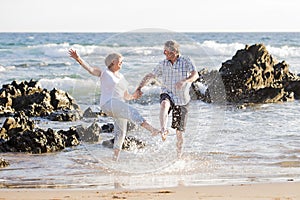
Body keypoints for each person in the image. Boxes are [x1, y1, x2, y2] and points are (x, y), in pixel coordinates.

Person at [68, 49, 160, 161]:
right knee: (133, 112)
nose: (122, 63)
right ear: (112, 62)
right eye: (120, 61)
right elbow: (90, 70)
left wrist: (134, 96)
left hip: (118, 106)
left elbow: (126, 96)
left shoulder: (121, 77)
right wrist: (78, 58)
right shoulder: (104, 72)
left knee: (120, 133)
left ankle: (114, 159)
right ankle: (152, 130)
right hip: (108, 103)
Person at [135, 40, 199, 158]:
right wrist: (139, 87)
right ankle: (164, 129)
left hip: (182, 98)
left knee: (179, 133)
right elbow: (150, 76)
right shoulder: (163, 64)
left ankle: (178, 156)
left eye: (166, 51)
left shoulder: (186, 61)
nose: (164, 54)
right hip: (167, 92)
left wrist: (184, 81)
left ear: (174, 52)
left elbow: (195, 75)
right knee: (164, 104)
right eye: (163, 51)